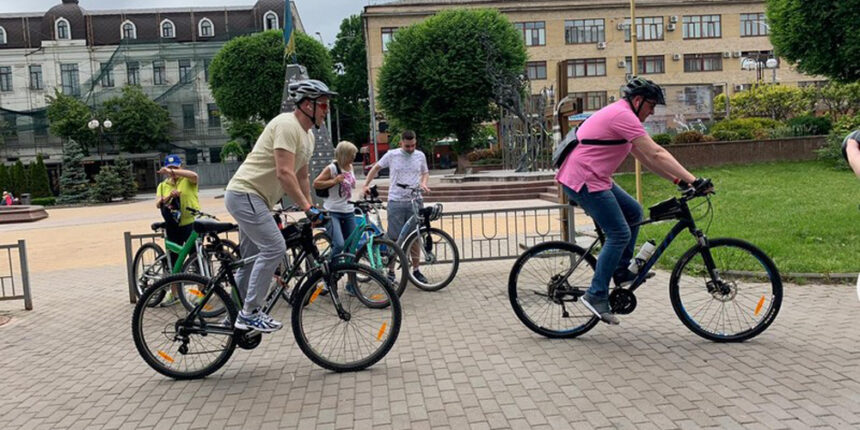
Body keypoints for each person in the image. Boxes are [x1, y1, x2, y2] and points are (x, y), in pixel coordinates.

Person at [556, 76, 712, 325]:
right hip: (583, 178)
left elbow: (648, 159)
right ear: (637, 100)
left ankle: (620, 271)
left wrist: (678, 181)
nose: (651, 113)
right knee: (618, 233)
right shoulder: (623, 116)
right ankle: (595, 294)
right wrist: (694, 180)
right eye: (651, 106)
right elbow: (657, 152)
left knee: (634, 212)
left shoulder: (623, 116)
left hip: (595, 177)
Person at [224, 79, 333, 332]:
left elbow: (302, 176)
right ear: (307, 104)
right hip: (246, 194)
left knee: (251, 260)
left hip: (256, 199)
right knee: (275, 247)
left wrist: (312, 207)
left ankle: (233, 315)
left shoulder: (308, 136)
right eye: (323, 105)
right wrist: (307, 208)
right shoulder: (286, 124)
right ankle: (250, 312)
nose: (326, 110)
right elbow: (285, 173)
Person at [362, 130, 430, 283]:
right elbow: (375, 168)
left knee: (415, 237)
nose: (411, 149)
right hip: (396, 201)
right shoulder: (392, 155)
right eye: (407, 146)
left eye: (413, 145)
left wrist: (423, 183)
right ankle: (391, 271)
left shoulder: (420, 155)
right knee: (394, 238)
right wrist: (365, 184)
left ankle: (416, 270)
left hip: (415, 200)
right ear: (401, 143)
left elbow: (425, 172)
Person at [155, 154, 200, 265]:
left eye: (175, 168)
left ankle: (200, 281)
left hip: (190, 223)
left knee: (196, 256)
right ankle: (174, 282)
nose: (172, 171)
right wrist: (170, 196)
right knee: (174, 259)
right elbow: (158, 203)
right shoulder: (162, 185)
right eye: (170, 168)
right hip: (173, 225)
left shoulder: (187, 180)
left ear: (180, 167)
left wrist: (173, 173)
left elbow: (195, 176)